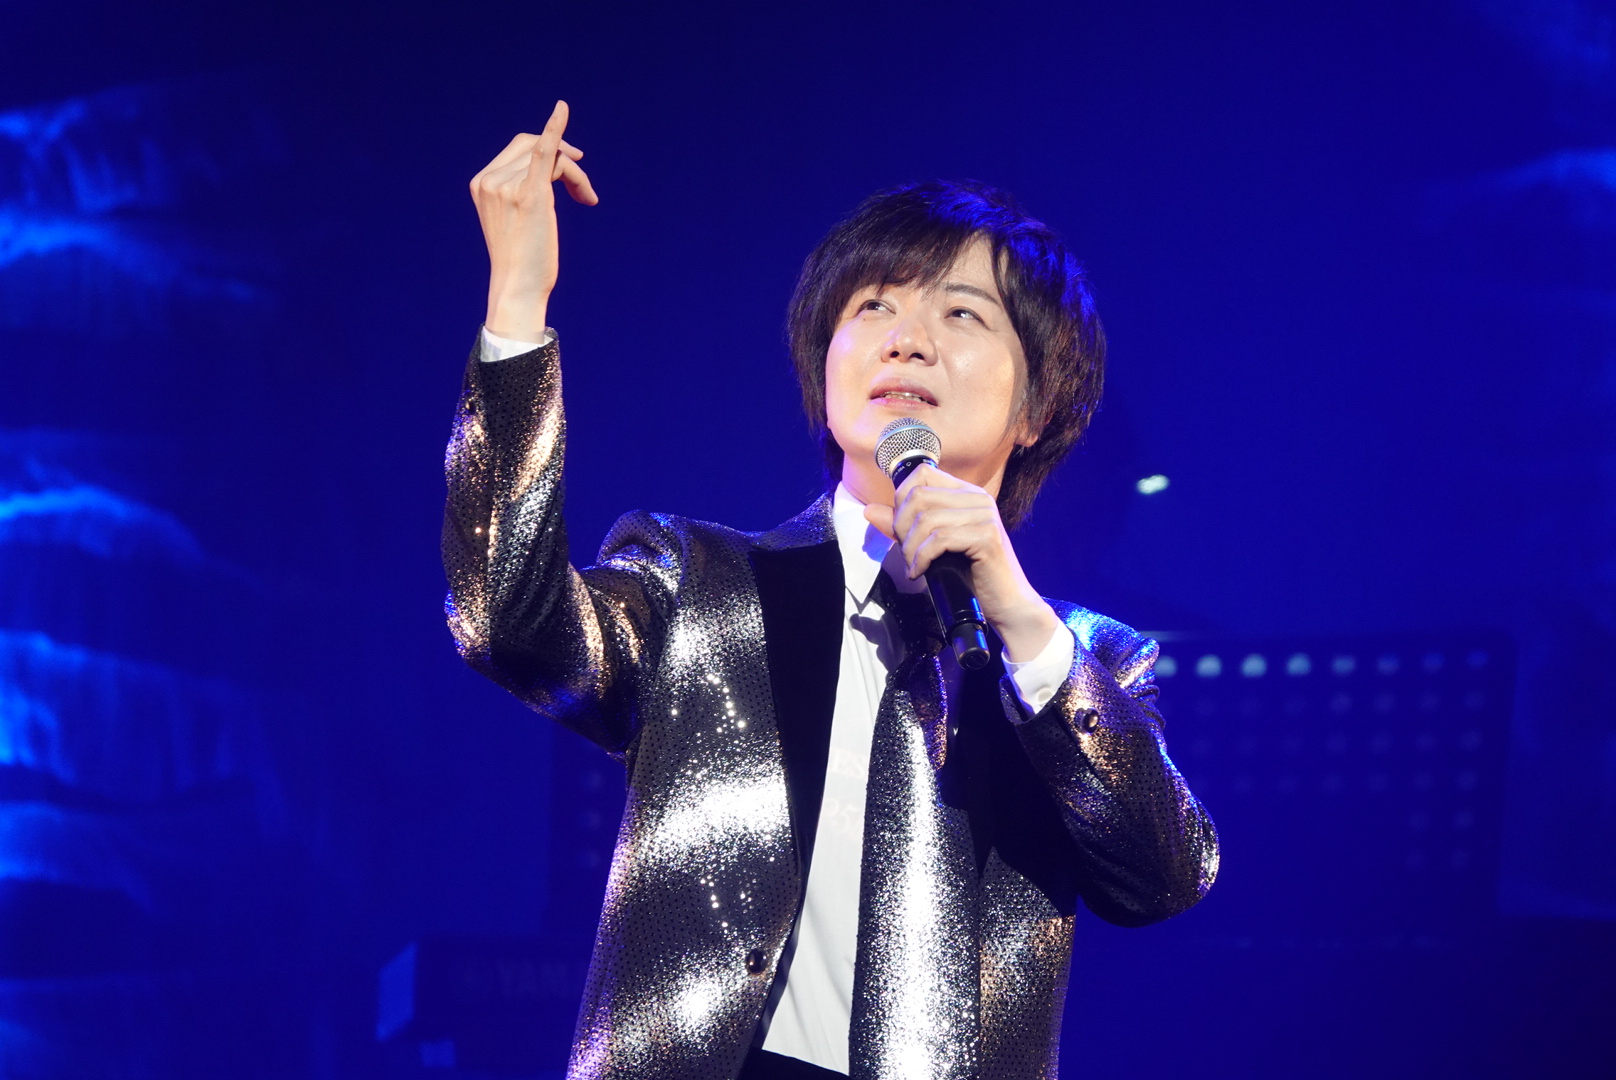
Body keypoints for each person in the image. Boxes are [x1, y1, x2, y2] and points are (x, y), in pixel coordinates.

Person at [443, 101, 1218, 1080]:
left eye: (961, 313)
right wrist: (517, 303)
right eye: (873, 307)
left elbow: (1163, 877)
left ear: (1037, 405)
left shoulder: (1081, 661)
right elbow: (506, 622)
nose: (907, 339)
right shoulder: (696, 580)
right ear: (825, 367)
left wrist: (1018, 620)